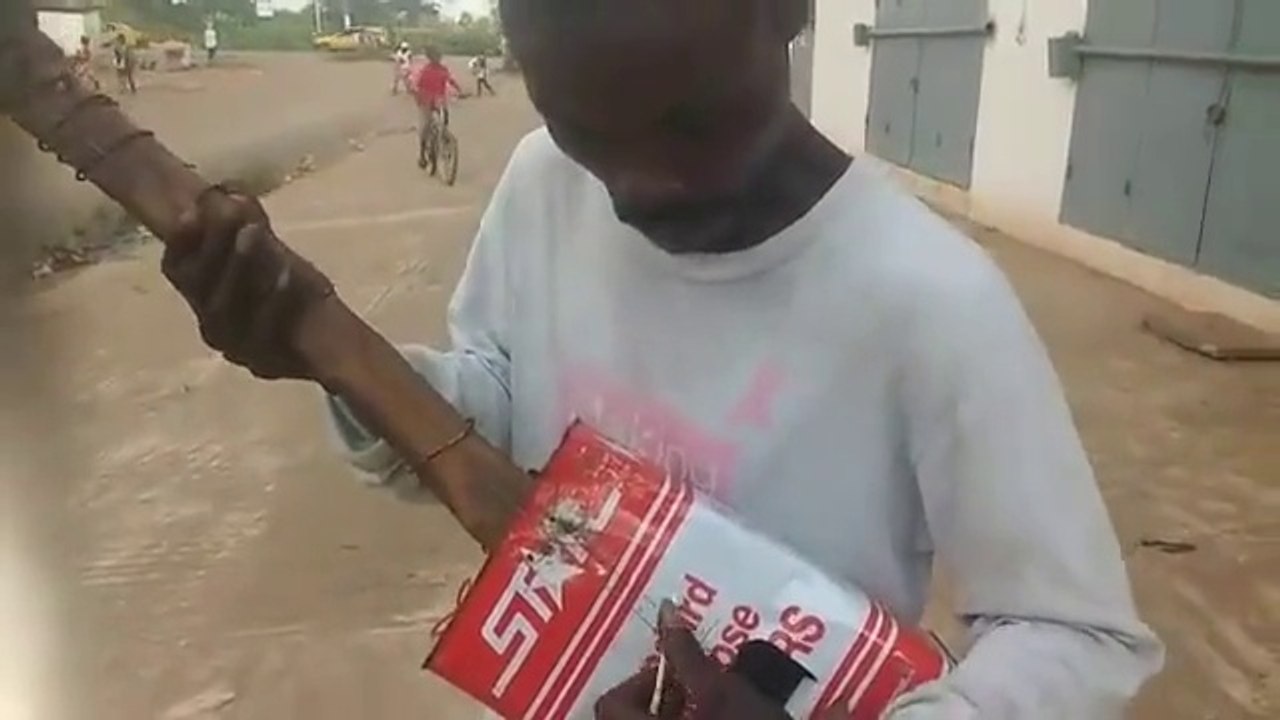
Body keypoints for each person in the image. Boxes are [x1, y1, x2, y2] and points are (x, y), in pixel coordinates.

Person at [160, 0, 1164, 717]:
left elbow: (1079, 638)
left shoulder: (929, 300)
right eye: (580, 127)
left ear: (787, 13)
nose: (640, 188)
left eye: (693, 121)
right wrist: (325, 348)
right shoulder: (543, 183)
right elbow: (496, 404)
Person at [413, 46, 461, 174]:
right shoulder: (426, 70)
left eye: (438, 57)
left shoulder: (443, 69)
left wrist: (459, 90)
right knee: (424, 127)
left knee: (444, 119)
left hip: (438, 100)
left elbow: (450, 80)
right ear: (430, 58)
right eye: (435, 57)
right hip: (425, 100)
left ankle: (443, 137)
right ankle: (422, 155)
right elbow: (417, 85)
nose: (437, 59)